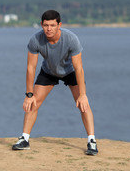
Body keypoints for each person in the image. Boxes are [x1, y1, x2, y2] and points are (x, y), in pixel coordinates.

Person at [12, 10, 98, 155]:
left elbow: (79, 68)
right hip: (49, 71)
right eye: (46, 25)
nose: (49, 29)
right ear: (41, 25)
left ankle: (92, 141)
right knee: (34, 102)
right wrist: (29, 94)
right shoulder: (36, 39)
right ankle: (24, 139)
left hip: (70, 72)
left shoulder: (71, 39)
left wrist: (83, 94)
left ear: (59, 25)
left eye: (52, 25)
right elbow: (31, 67)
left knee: (83, 103)